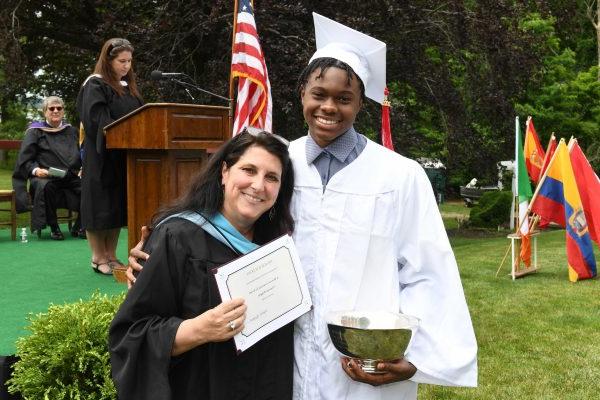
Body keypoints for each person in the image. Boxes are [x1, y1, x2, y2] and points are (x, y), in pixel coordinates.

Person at [128, 13, 477, 400]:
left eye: (344, 98)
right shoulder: (278, 165)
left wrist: (414, 356)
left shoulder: (399, 176)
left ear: (361, 103)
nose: (329, 107)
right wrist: (157, 256)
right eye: (319, 95)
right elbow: (225, 230)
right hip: (279, 360)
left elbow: (428, 272)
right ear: (302, 95)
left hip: (362, 367)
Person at [109, 129, 295, 400]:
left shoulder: (279, 250)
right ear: (224, 172)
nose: (258, 185)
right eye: (249, 170)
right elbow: (131, 334)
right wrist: (199, 329)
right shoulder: (176, 238)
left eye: (271, 177)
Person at [76, 38, 143, 275]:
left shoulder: (127, 85)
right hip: (101, 154)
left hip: (123, 156)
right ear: (108, 60)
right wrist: (120, 136)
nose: (126, 66)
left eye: (129, 61)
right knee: (99, 206)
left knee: (116, 206)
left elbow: (141, 115)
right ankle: (98, 257)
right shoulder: (95, 85)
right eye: (122, 61)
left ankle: (112, 255)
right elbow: (97, 120)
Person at [12, 96, 82, 240]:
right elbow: (25, 159)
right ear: (45, 112)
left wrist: (84, 167)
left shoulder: (71, 131)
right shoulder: (35, 131)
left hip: (70, 175)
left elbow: (82, 152)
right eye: (51, 108)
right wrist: (36, 170)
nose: (55, 111)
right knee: (46, 187)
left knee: (90, 187)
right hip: (46, 176)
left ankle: (80, 225)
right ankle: (54, 227)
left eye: (59, 108)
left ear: (63, 111)